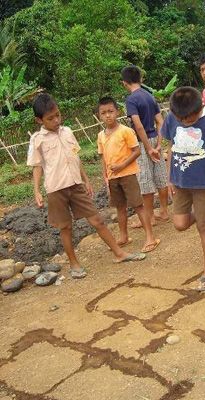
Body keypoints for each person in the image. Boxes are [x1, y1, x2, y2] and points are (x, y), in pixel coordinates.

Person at [28, 93, 146, 279]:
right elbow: (36, 167)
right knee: (65, 227)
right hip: (55, 189)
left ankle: (119, 253)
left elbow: (76, 156)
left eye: (58, 115)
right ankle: (74, 264)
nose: (56, 120)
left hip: (76, 185)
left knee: (97, 220)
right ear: (39, 120)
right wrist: (36, 190)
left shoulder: (67, 132)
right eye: (50, 118)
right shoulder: (37, 140)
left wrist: (86, 179)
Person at [161, 87, 205, 291]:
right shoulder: (172, 118)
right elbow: (171, 147)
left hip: (203, 183)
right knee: (179, 224)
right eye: (181, 119)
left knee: (203, 226)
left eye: (188, 119)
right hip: (179, 181)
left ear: (199, 109)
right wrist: (169, 178)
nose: (184, 122)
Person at [96, 97, 160, 253]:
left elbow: (137, 151)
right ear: (99, 116)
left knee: (138, 205)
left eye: (111, 111)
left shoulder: (126, 131)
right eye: (103, 113)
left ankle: (150, 237)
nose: (108, 116)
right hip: (112, 178)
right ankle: (124, 236)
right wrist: (106, 176)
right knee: (120, 208)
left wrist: (122, 165)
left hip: (128, 174)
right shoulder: (100, 136)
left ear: (117, 112)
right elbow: (102, 157)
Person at [121, 65, 170, 228]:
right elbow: (161, 122)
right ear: (140, 79)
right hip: (155, 140)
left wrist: (148, 148)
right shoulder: (150, 96)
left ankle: (149, 217)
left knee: (146, 182)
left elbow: (138, 126)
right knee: (161, 178)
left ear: (124, 83)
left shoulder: (131, 100)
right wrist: (158, 144)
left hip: (142, 144)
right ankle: (164, 211)